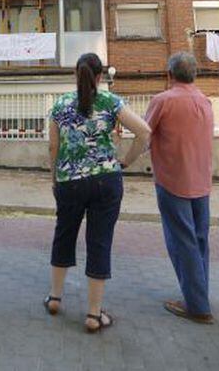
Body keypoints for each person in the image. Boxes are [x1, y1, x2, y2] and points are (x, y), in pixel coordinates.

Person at [45, 53, 151, 332]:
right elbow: (145, 132)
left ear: (75, 74)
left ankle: (55, 298)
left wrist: (54, 177)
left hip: (69, 182)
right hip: (106, 180)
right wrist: (125, 162)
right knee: (99, 241)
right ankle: (93, 315)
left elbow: (53, 148)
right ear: (100, 76)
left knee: (63, 234)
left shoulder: (60, 105)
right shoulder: (111, 102)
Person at [145, 52, 214, 324]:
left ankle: (197, 306)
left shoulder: (163, 101)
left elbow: (143, 133)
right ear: (194, 74)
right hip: (202, 183)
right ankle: (199, 296)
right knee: (199, 241)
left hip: (173, 182)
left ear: (169, 74)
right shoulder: (206, 101)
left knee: (182, 242)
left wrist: (124, 159)